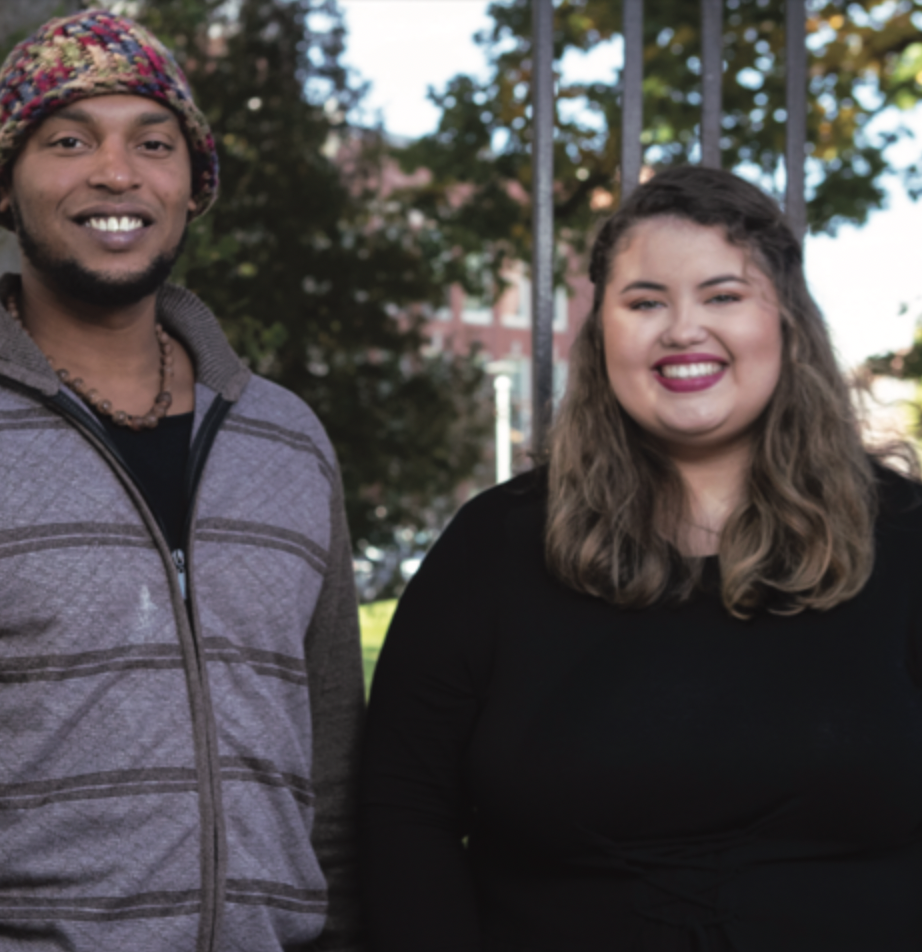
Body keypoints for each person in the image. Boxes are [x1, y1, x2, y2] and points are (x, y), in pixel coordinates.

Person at [0, 9, 364, 951]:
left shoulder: (286, 439)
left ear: (192, 185)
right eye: (69, 139)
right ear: (3, 186)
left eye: (154, 143)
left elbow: (329, 756)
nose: (116, 173)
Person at [361, 165, 922, 951]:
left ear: (788, 324)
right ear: (602, 334)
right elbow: (402, 810)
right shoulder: (494, 545)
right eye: (645, 301)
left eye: (723, 296)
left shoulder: (903, 538)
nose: (683, 329)